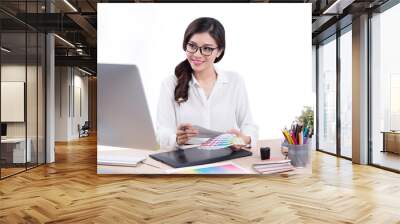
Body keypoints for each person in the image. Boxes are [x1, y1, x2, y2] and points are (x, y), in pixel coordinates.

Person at [156, 17, 258, 150]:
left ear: (219, 51)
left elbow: (248, 124)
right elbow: (162, 132)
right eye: (192, 46)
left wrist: (245, 139)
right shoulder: (170, 84)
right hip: (186, 159)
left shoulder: (235, 81)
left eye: (207, 49)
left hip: (225, 156)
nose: (197, 54)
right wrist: (176, 138)